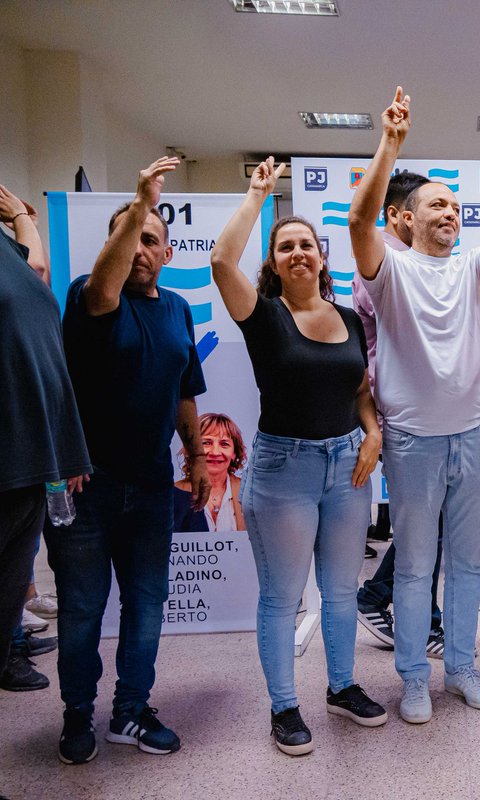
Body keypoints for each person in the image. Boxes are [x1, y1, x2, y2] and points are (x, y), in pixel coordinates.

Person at [348, 84, 480, 723]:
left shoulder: (472, 269)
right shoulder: (390, 271)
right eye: (436, 204)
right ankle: (413, 681)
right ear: (407, 216)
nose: (450, 213)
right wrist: (389, 144)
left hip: (475, 436)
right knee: (415, 567)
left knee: (468, 568)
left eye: (455, 205)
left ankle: (458, 671)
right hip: (412, 441)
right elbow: (356, 223)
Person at [208, 158, 388, 755]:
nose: (297, 253)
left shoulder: (345, 317)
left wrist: (373, 434)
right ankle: (284, 706)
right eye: (285, 247)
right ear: (274, 262)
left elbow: (359, 389)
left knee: (340, 591)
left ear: (321, 256)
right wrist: (260, 195)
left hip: (347, 468)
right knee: (282, 597)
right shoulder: (263, 317)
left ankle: (341, 687)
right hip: (284, 471)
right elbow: (218, 262)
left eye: (306, 244)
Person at [49, 157, 208, 763]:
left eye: (150, 238)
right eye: (129, 235)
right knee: (83, 609)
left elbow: (184, 393)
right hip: (86, 487)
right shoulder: (88, 296)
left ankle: (130, 712)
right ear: (113, 245)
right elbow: (104, 289)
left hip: (148, 487)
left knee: (146, 607)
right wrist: (142, 202)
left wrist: (193, 457)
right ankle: (76, 715)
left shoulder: (177, 309)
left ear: (167, 253)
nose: (140, 247)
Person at [352, 170, 450, 660]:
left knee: (428, 520)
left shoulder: (421, 262)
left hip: (424, 412)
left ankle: (413, 612)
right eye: (423, 208)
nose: (437, 217)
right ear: (398, 215)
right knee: (420, 521)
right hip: (399, 411)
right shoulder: (383, 264)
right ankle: (379, 599)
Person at [0, 183, 89, 693]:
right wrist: (21, 218)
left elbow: (36, 274)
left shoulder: (13, 262)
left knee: (7, 595)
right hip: (13, 458)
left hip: (30, 463)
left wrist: (19, 220)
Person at [172, 412, 246, 533]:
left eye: (224, 444)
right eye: (206, 443)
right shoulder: (173, 496)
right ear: (191, 450)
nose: (215, 452)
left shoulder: (249, 494)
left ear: (234, 453)